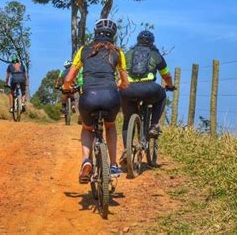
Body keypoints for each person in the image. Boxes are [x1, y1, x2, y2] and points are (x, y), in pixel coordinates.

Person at [63, 19, 130, 183]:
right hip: (111, 97)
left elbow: (69, 78)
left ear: (95, 33)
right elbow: (125, 82)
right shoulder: (118, 53)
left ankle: (86, 161)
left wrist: (67, 88)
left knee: (87, 128)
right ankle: (113, 165)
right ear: (113, 36)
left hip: (88, 97)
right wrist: (119, 85)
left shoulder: (84, 50)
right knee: (110, 126)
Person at [119, 30, 176, 164]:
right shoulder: (156, 55)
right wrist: (170, 86)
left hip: (129, 90)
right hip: (149, 88)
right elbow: (166, 76)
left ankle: (127, 150)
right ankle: (154, 125)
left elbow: (120, 72)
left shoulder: (127, 54)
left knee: (127, 119)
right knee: (162, 96)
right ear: (152, 42)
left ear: (137, 41)